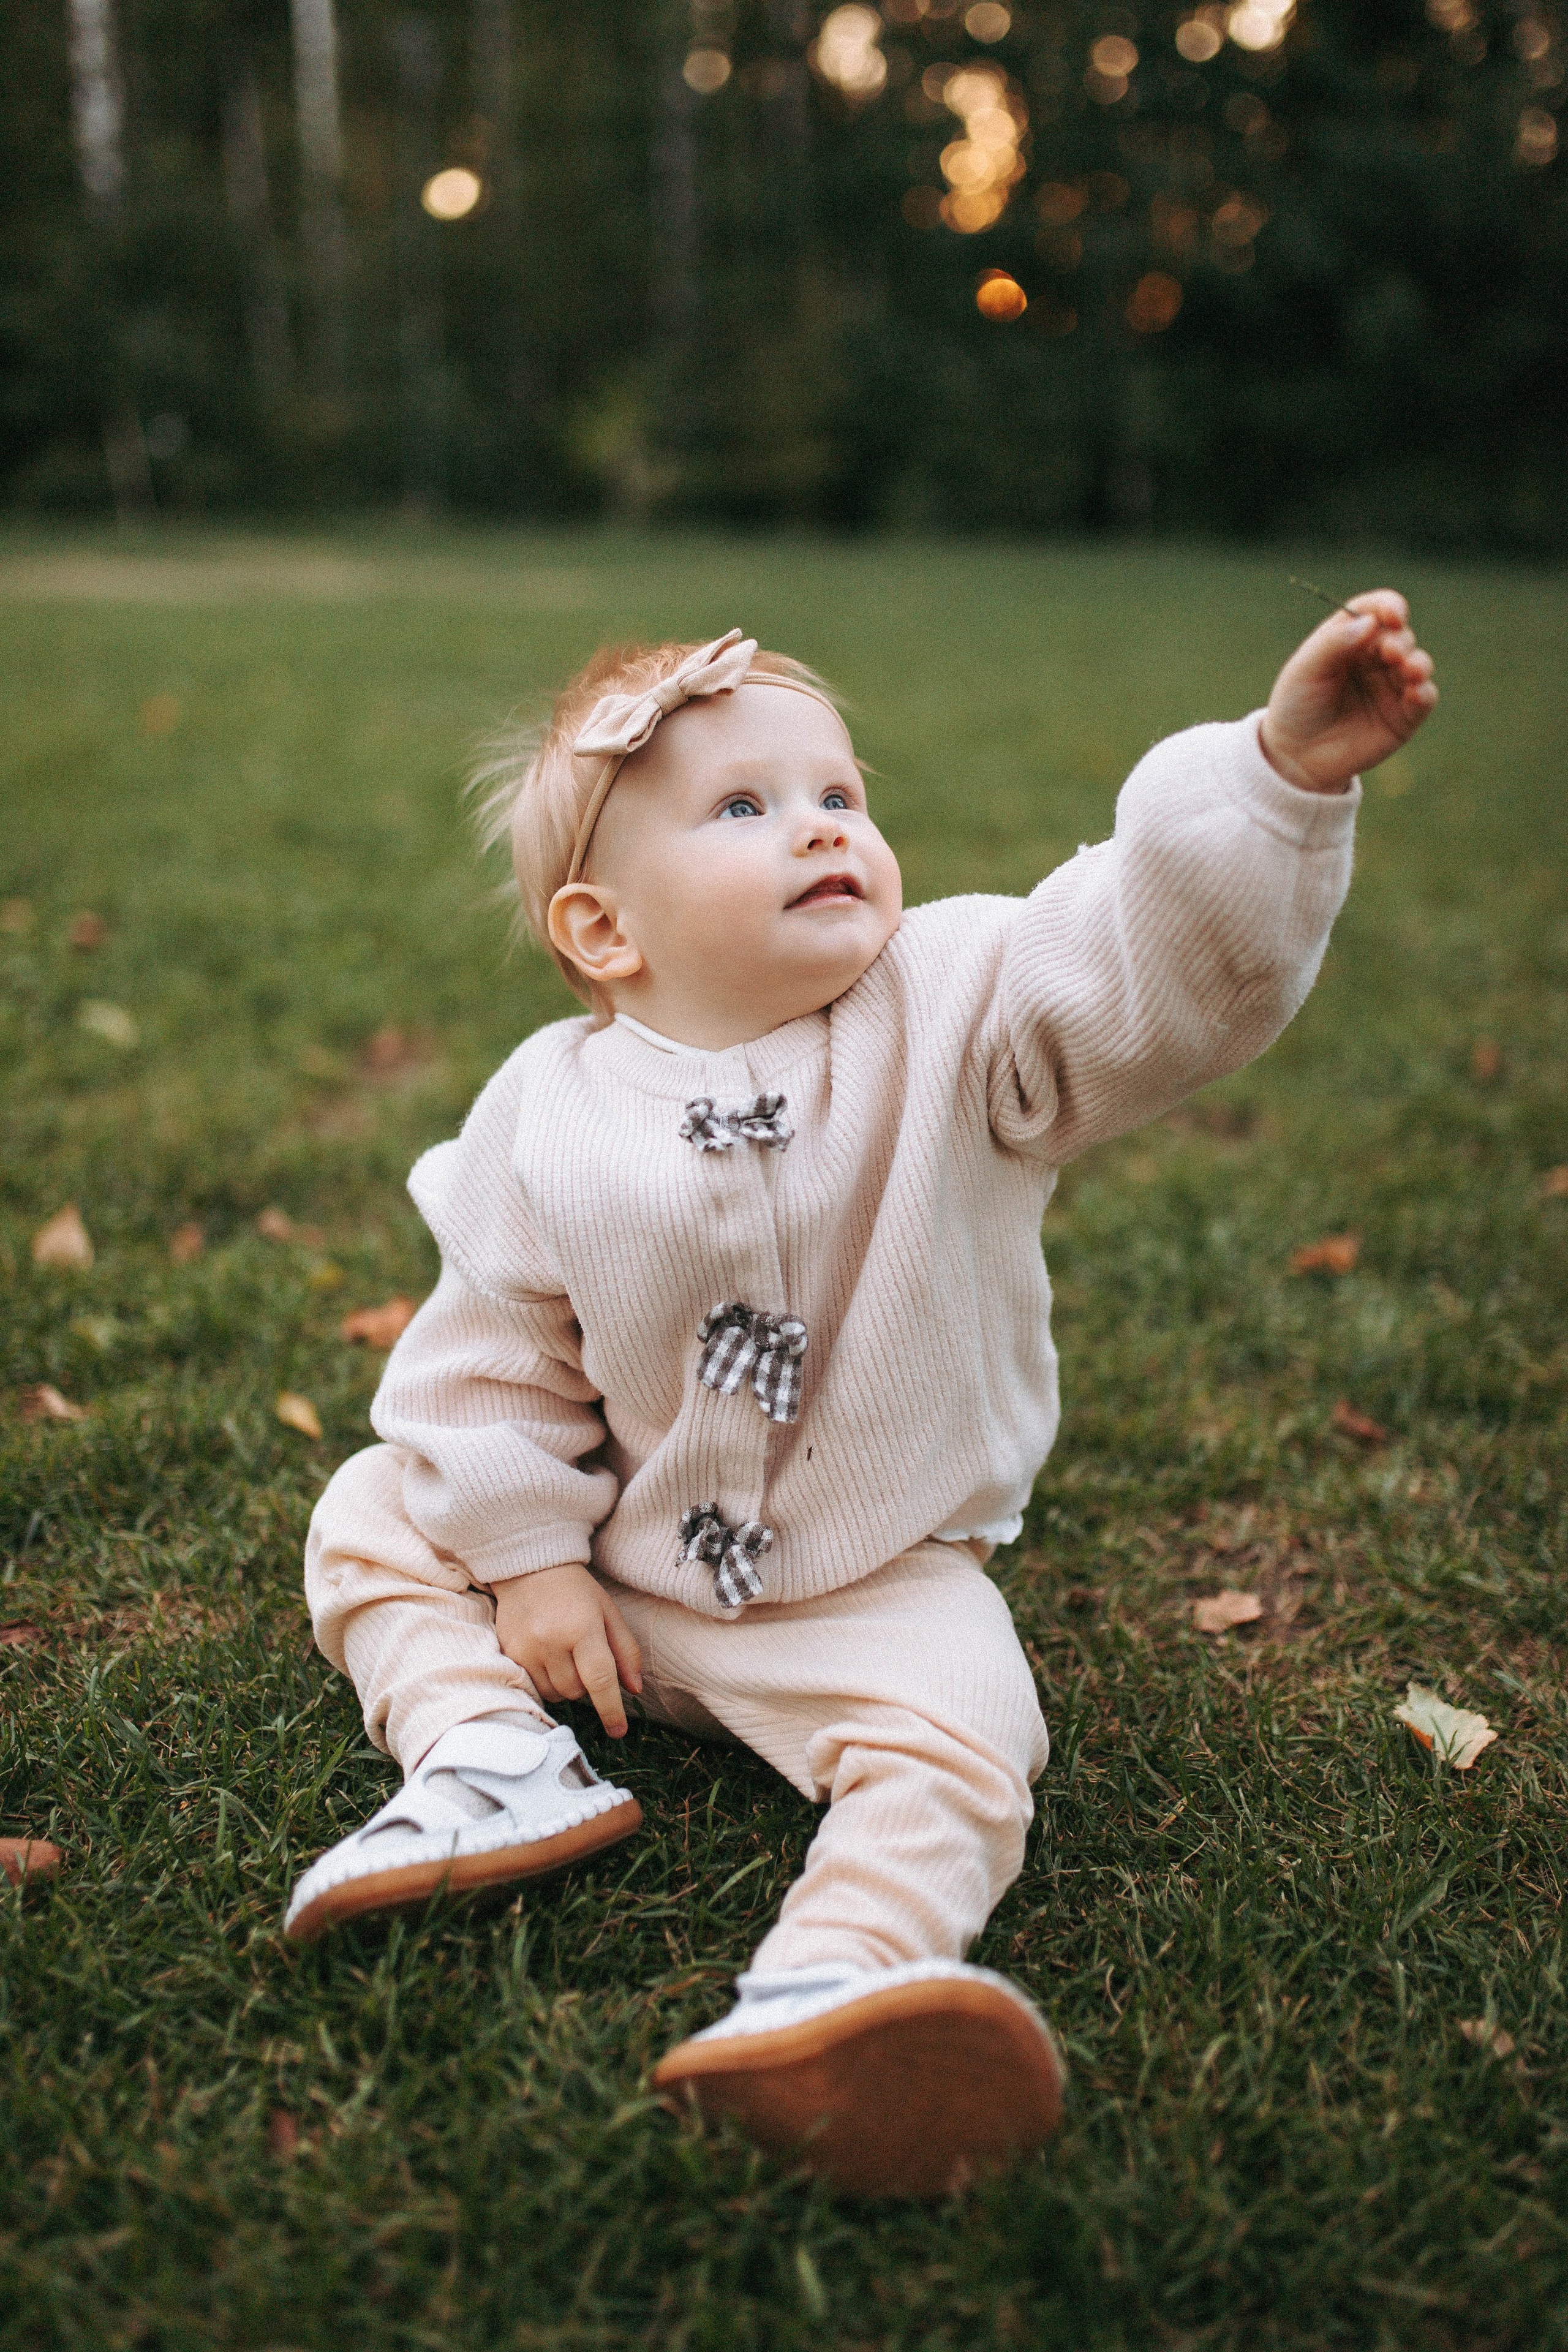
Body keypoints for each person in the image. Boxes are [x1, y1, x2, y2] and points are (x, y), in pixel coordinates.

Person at [285, 598, 1436, 2197]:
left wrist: (1273, 783)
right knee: (376, 1510)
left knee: (975, 1731)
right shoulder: (543, 1116)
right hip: (616, 1570)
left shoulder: (957, 1006)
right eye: (746, 808)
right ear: (606, 933)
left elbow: (1143, 967)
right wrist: (536, 1567)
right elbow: (488, 1367)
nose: (824, 827)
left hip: (861, 1579)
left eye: (842, 794)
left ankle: (840, 1979)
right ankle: (484, 1757)